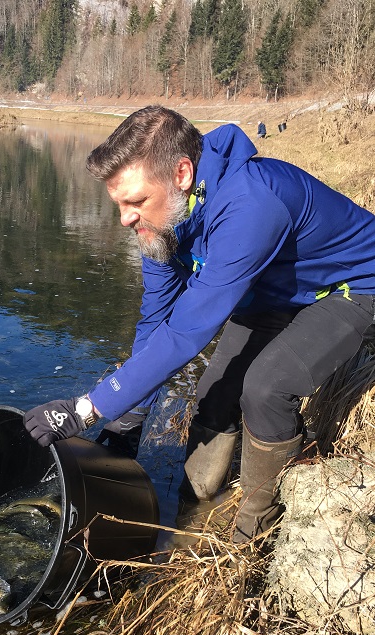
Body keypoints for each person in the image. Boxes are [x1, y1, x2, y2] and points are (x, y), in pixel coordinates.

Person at [23, 105, 375, 544]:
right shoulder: (162, 222)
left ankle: (252, 534)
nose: (125, 218)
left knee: (265, 388)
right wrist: (130, 413)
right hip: (275, 292)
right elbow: (157, 320)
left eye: (135, 201)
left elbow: (186, 332)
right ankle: (193, 514)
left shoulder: (251, 205)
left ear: (182, 173)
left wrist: (86, 409)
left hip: (353, 286)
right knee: (213, 395)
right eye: (119, 204)